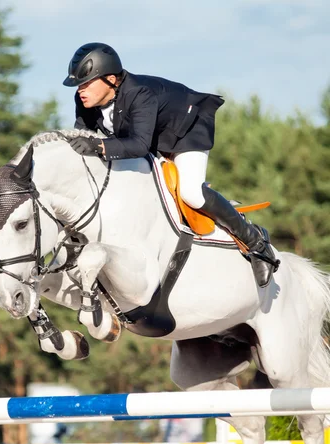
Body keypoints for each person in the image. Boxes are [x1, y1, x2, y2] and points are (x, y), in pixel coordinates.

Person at [63, 42, 279, 287]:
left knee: (192, 193)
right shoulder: (85, 100)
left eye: (86, 83)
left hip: (187, 129)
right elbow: (84, 138)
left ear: (111, 79)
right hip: (151, 134)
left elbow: (139, 145)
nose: (81, 90)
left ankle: (256, 244)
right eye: (79, 84)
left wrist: (100, 147)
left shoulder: (139, 93)